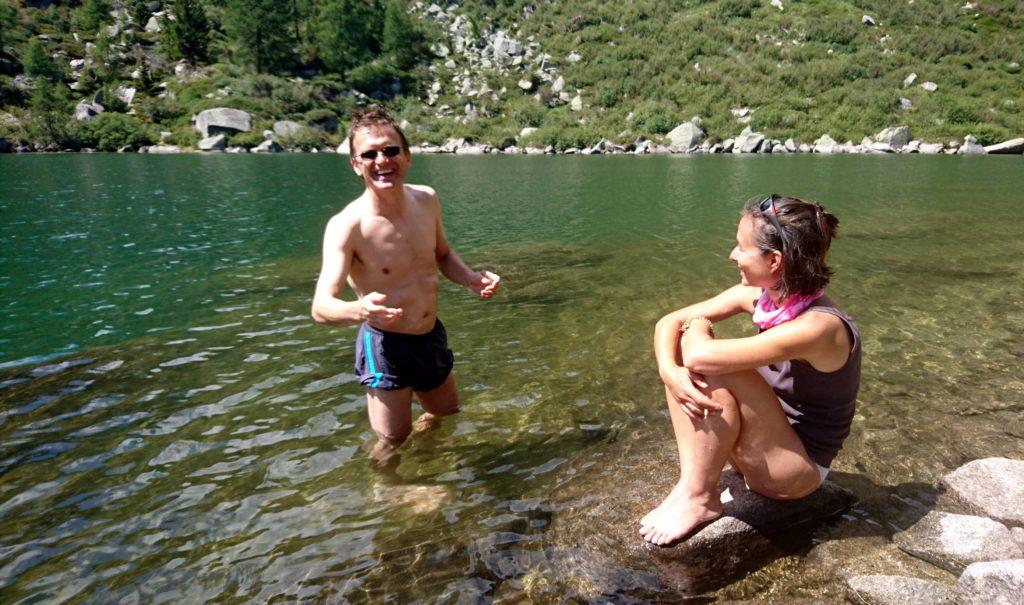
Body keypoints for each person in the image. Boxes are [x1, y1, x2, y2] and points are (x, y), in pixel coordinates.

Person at [640, 194, 860, 546]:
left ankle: (699, 498)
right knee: (684, 358)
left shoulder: (819, 327)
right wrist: (669, 371)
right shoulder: (763, 296)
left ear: (774, 260)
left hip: (794, 471)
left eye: (742, 247)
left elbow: (698, 353)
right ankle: (690, 486)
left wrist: (696, 325)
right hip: (764, 448)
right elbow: (668, 321)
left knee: (710, 363)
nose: (732, 255)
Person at [311, 107, 501, 464]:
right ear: (356, 164)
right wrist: (358, 309)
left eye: (390, 150)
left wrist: (472, 278)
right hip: (386, 343)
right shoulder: (346, 225)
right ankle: (390, 493)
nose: (381, 160)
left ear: (407, 156)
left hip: (430, 334)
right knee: (392, 440)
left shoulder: (426, 199)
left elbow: (443, 255)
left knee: (447, 415)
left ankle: (432, 460)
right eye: (369, 154)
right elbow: (321, 306)